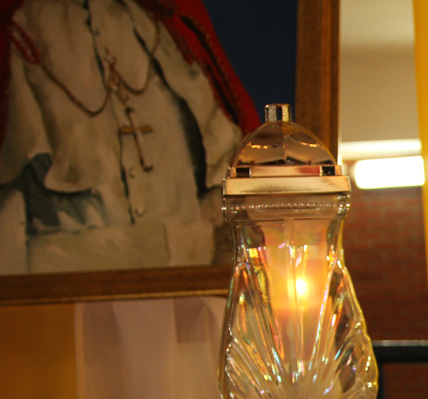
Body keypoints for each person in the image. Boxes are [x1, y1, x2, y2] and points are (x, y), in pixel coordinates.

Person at [0, 0, 260, 274]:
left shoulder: (164, 27)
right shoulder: (19, 31)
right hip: (62, 286)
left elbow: (225, 179)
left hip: (192, 282)